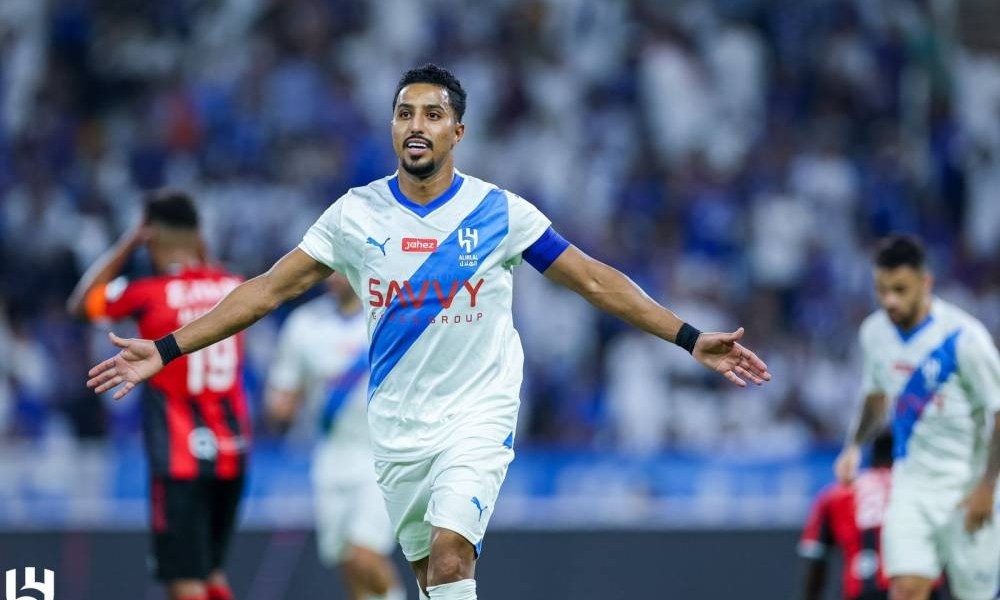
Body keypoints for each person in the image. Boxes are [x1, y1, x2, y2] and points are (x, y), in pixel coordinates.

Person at [86, 64, 771, 600]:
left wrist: (689, 337)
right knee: (430, 578)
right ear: (392, 126)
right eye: (405, 113)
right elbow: (266, 291)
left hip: (476, 414)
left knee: (450, 556)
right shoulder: (355, 216)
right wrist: (166, 348)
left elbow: (592, 280)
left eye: (433, 114)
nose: (417, 125)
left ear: (457, 132)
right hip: (395, 429)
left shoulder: (497, 212)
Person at [68, 190, 249, 600]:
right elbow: (209, 272)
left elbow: (81, 305)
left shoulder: (148, 292)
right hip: (232, 451)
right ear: (198, 236)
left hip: (180, 456)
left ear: (150, 237)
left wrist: (128, 243)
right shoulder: (233, 286)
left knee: (184, 580)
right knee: (212, 573)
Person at [834, 234, 1000, 600]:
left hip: (966, 485)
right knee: (906, 589)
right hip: (910, 486)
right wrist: (854, 447)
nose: (889, 300)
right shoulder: (874, 333)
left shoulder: (964, 338)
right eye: (881, 290)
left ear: (926, 283)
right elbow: (876, 397)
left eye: (900, 289)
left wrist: (988, 488)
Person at [265, 273, 404, 600]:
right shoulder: (304, 324)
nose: (334, 273)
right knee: (347, 563)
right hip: (330, 455)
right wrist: (280, 408)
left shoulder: (392, 318)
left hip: (381, 453)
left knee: (365, 553)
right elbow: (283, 389)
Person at [800, 430, 943, 600]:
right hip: (920, 587)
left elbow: (816, 558)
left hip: (864, 590)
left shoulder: (837, 494)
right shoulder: (925, 489)